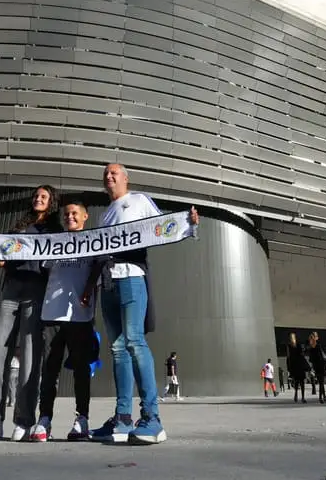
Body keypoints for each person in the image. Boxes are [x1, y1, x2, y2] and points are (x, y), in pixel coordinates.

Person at [90, 163, 198, 446]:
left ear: (125, 178)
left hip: (132, 278)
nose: (108, 176)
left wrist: (188, 222)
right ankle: (123, 418)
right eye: (105, 174)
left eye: (114, 172)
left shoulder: (138, 200)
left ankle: (152, 418)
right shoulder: (103, 216)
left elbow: (164, 225)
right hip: (108, 283)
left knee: (134, 341)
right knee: (116, 348)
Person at [0, 185, 58, 442]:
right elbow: (4, 261)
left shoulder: (53, 230)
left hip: (36, 292)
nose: (38, 199)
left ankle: (25, 420)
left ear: (51, 202)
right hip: (11, 291)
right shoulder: (19, 227)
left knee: (30, 358)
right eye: (36, 196)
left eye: (44, 197)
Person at [28, 198, 101, 442]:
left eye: (74, 213)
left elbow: (98, 272)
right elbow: (40, 263)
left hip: (80, 316)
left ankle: (82, 419)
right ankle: (44, 419)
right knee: (49, 370)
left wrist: (89, 289)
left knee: (81, 369)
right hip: (52, 314)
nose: (70, 217)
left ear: (85, 216)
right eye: (66, 214)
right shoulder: (55, 242)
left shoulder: (95, 242)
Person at [309, 332, 326, 403]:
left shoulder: (311, 347)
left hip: (316, 366)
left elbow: (311, 359)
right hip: (321, 365)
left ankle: (324, 396)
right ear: (316, 338)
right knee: (321, 383)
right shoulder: (319, 345)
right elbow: (322, 356)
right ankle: (320, 397)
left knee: (320, 382)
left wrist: (312, 367)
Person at [286, 335, 308, 404]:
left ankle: (295, 395)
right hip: (300, 366)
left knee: (296, 382)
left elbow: (288, 357)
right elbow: (301, 354)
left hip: (294, 366)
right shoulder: (298, 345)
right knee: (302, 383)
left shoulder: (289, 346)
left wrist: (289, 368)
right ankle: (303, 397)